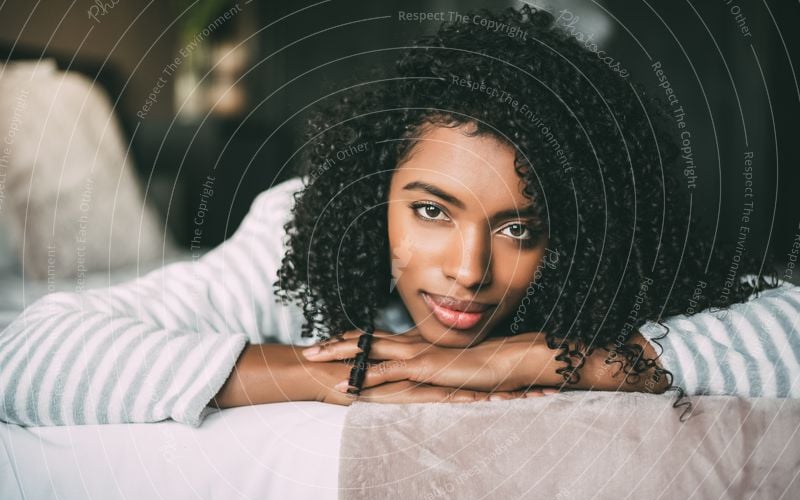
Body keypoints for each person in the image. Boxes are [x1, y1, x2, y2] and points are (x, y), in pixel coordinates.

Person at [1, 5, 797, 429]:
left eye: (522, 227)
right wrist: (321, 375)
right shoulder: (296, 234)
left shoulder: (604, 278)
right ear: (370, 195)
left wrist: (539, 358)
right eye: (429, 210)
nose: (467, 268)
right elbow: (26, 354)